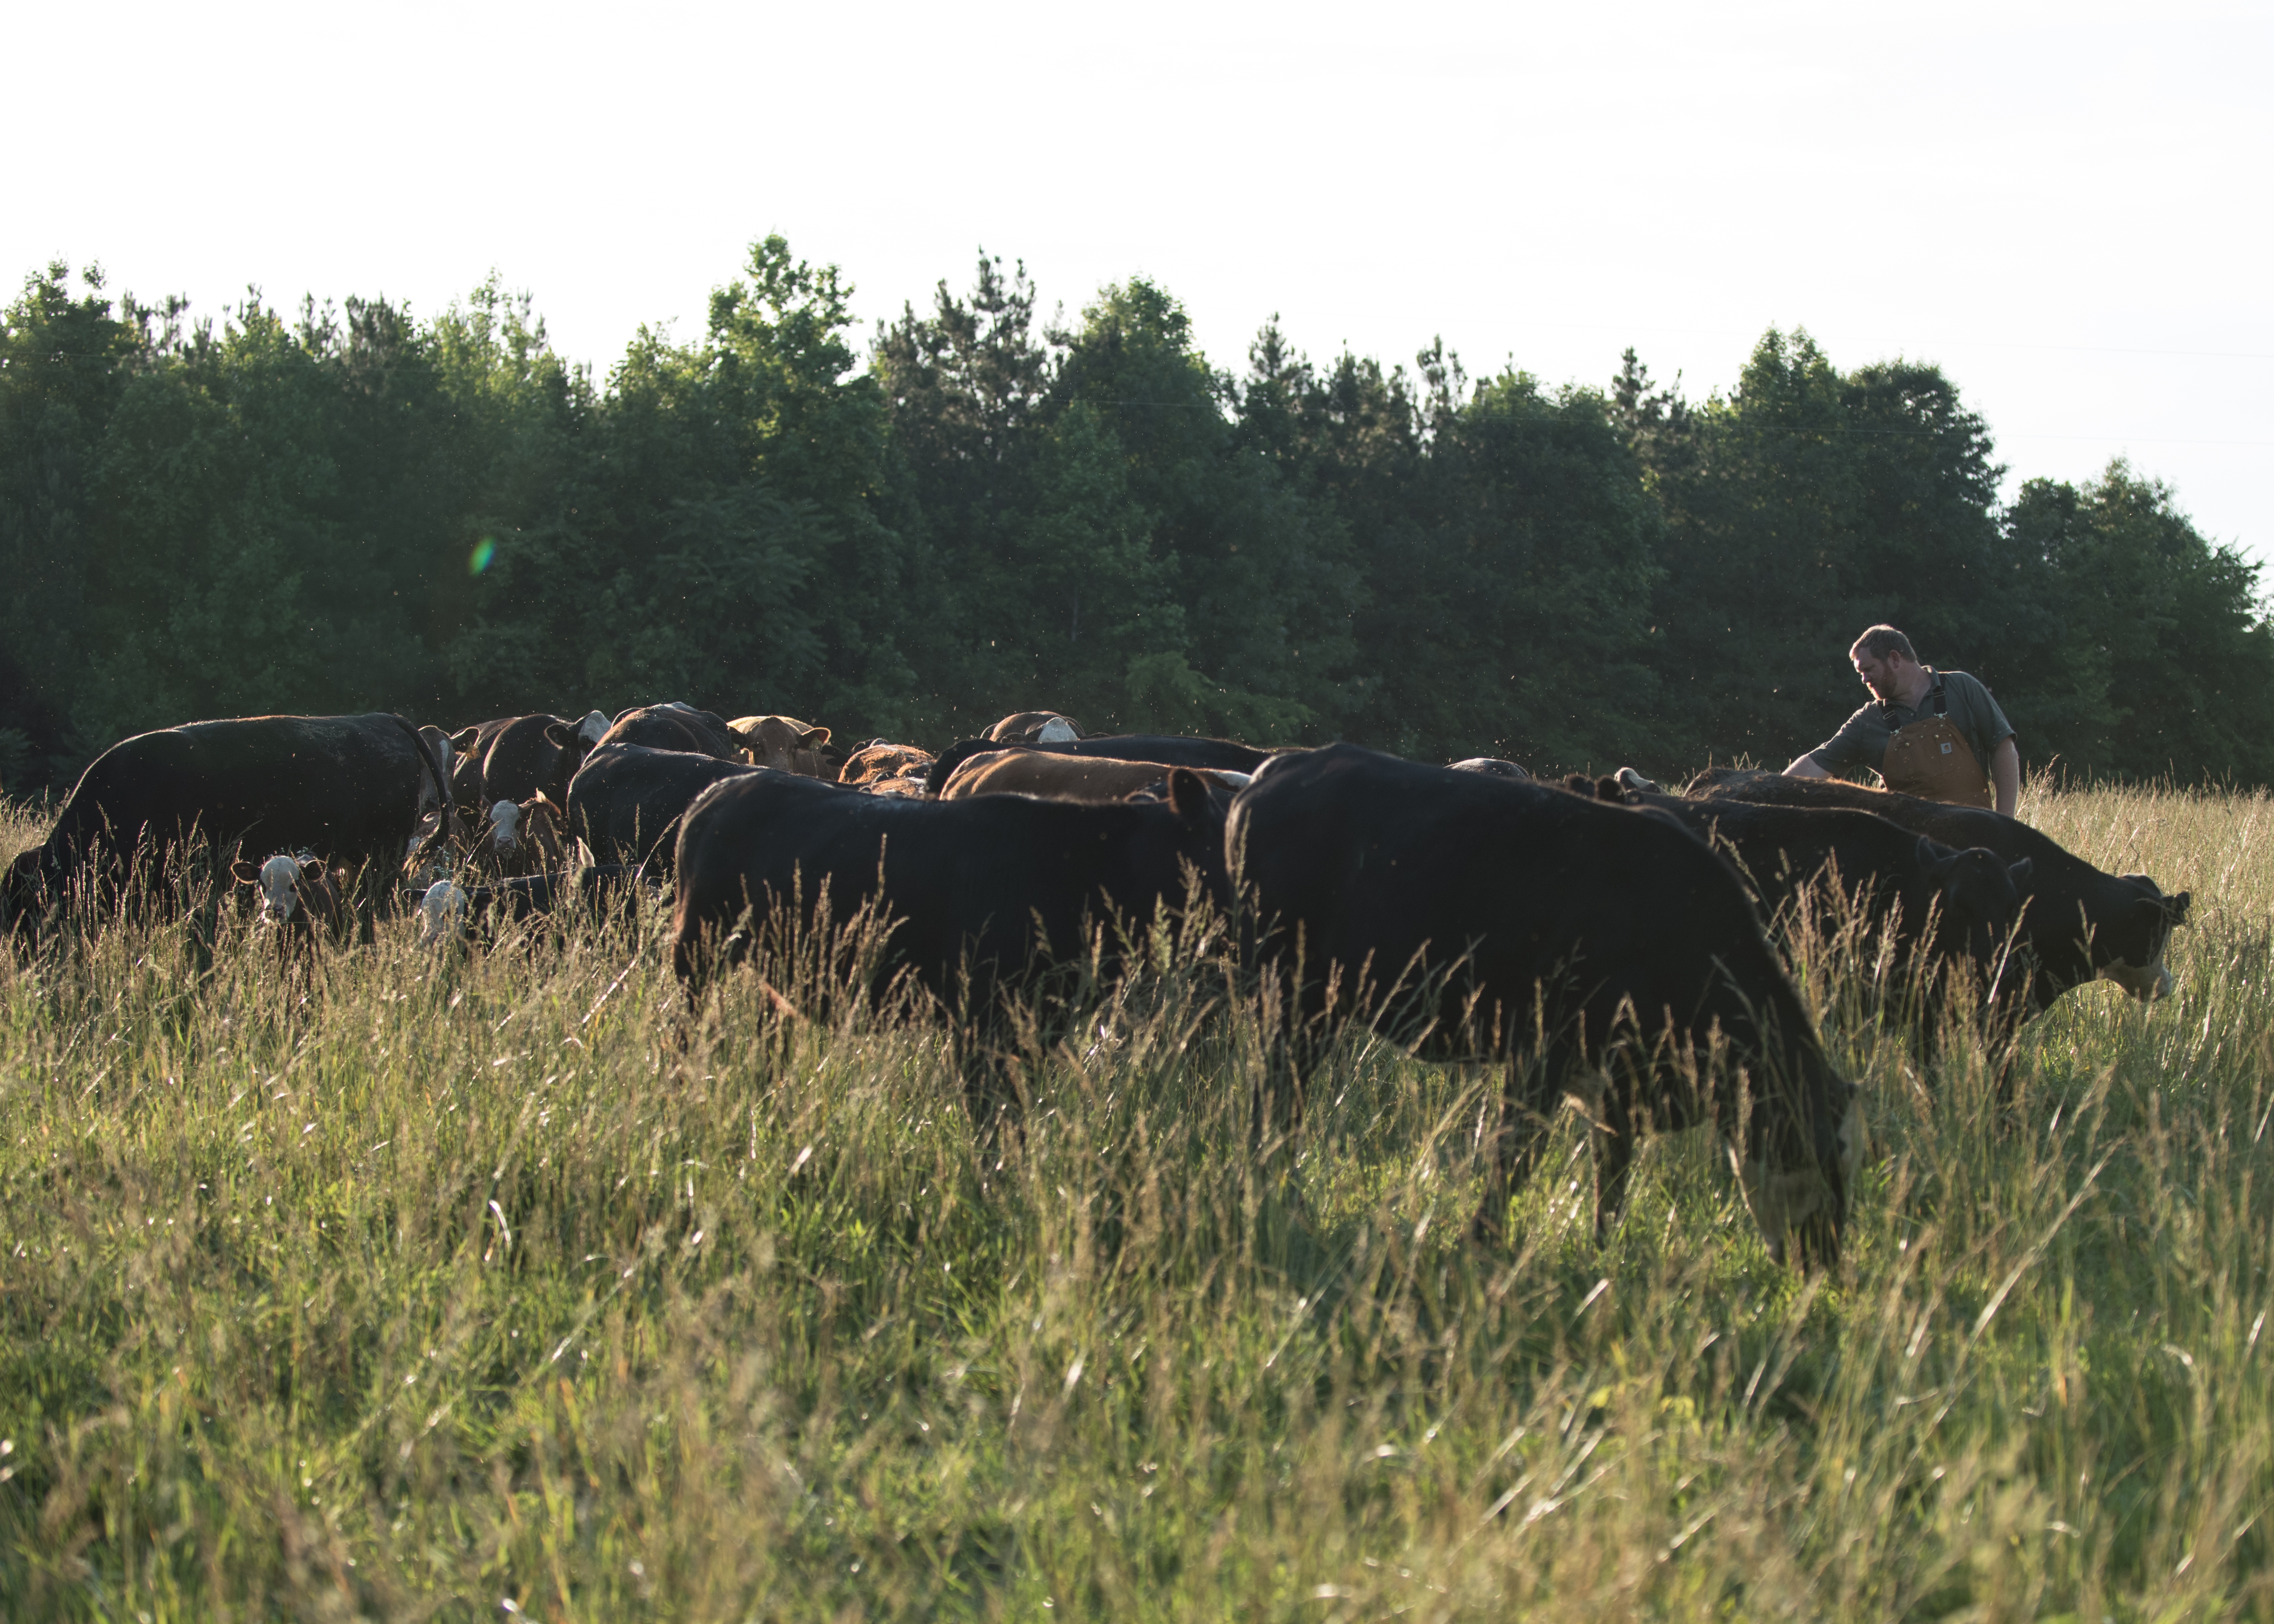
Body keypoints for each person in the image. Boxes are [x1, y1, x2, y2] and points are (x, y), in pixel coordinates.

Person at [1785, 625, 2019, 815]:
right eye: (1860, 674)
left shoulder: (1962, 689)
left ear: (1895, 659)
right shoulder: (1867, 721)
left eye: (1868, 669)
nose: (1864, 680)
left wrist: (2005, 825)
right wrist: (1762, 790)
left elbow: (2003, 748)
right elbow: (1816, 765)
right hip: (1911, 853)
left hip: (1975, 843)